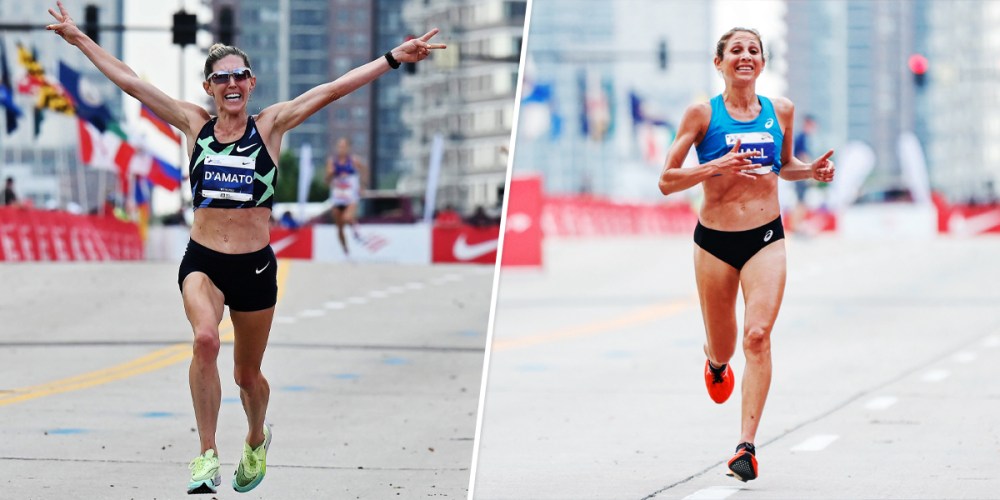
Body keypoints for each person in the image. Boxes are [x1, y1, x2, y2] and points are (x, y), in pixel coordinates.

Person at [46, 2, 444, 494]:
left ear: (251, 84)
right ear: (209, 88)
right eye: (221, 77)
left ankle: (256, 436)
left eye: (240, 75)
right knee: (205, 340)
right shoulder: (194, 124)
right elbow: (131, 82)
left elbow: (332, 89)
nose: (231, 84)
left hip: (254, 267)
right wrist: (78, 38)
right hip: (203, 262)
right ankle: (206, 455)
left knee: (247, 375)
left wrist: (392, 58)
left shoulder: (271, 126)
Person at [657, 27, 834, 482]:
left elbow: (786, 166)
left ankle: (746, 448)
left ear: (762, 62)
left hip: (765, 238)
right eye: (736, 50)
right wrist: (715, 165)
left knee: (757, 336)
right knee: (726, 344)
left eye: (753, 50)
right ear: (719, 63)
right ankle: (715, 363)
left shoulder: (782, 112)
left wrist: (811, 171)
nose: (745, 56)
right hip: (714, 243)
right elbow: (667, 179)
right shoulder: (702, 114)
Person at [325, 137, 366, 255]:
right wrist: (330, 174)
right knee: (339, 227)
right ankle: (345, 249)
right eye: (339, 146)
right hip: (338, 197)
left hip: (350, 197)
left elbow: (364, 171)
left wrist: (362, 186)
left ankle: (356, 230)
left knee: (347, 218)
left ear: (348, 148)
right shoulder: (332, 162)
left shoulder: (353, 161)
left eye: (344, 146)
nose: (341, 149)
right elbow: (327, 180)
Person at [791, 115, 818, 233]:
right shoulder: (802, 137)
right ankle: (796, 226)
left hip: (800, 172)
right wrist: (811, 172)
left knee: (801, 201)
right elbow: (803, 156)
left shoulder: (802, 137)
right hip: (801, 173)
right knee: (801, 201)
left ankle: (798, 225)